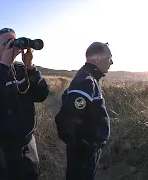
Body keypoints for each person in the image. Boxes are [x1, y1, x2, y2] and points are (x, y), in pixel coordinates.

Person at [0, 28, 49, 180]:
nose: (13, 47)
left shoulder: (21, 70)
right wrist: (4, 65)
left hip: (27, 147)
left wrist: (30, 67)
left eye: (15, 42)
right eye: (7, 43)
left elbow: (41, 95)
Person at [54, 42, 113, 180]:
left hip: (86, 151)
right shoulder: (86, 80)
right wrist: (82, 144)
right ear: (97, 57)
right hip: (84, 153)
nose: (111, 62)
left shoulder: (89, 77)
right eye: (109, 57)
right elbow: (66, 117)